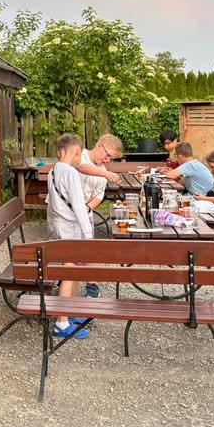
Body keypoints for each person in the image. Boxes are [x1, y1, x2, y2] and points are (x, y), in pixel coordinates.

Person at [46, 133, 92, 340]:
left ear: (59, 151)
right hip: (71, 228)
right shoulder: (71, 173)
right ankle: (62, 322)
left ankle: (68, 312)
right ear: (76, 152)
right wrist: (88, 235)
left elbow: (51, 204)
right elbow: (79, 206)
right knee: (70, 271)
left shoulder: (53, 171)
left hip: (59, 227)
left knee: (71, 270)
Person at [76, 134, 123, 297]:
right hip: (64, 211)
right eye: (108, 155)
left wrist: (87, 208)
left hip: (84, 212)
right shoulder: (79, 154)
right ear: (100, 145)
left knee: (89, 249)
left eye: (111, 158)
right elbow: (80, 167)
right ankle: (61, 281)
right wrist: (105, 174)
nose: (107, 160)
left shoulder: (103, 171)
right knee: (67, 250)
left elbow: (98, 196)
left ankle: (92, 287)